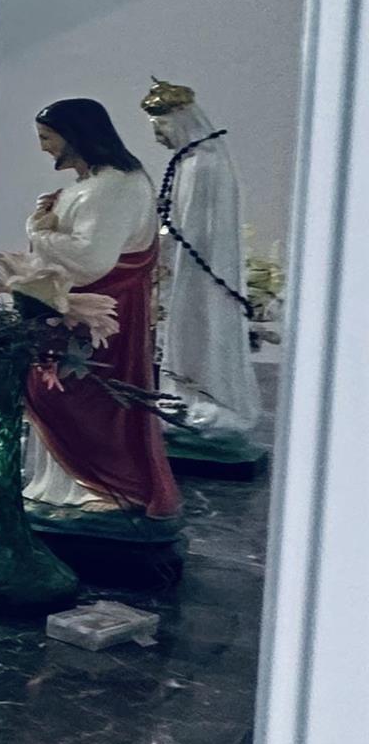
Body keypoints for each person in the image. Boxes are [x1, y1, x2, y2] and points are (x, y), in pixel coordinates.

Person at [14, 97, 179, 519]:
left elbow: (91, 261)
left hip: (96, 313)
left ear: (77, 136)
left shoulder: (110, 188)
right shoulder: (100, 184)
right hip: (80, 308)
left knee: (81, 398)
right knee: (62, 394)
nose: (44, 147)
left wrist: (38, 232)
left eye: (48, 138)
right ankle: (67, 488)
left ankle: (103, 487)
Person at [142, 79, 265, 459]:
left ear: (179, 121)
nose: (159, 138)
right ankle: (186, 398)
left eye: (161, 128)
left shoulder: (202, 166)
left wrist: (158, 252)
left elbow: (187, 230)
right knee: (187, 334)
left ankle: (209, 404)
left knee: (200, 331)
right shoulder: (191, 162)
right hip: (188, 271)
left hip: (196, 274)